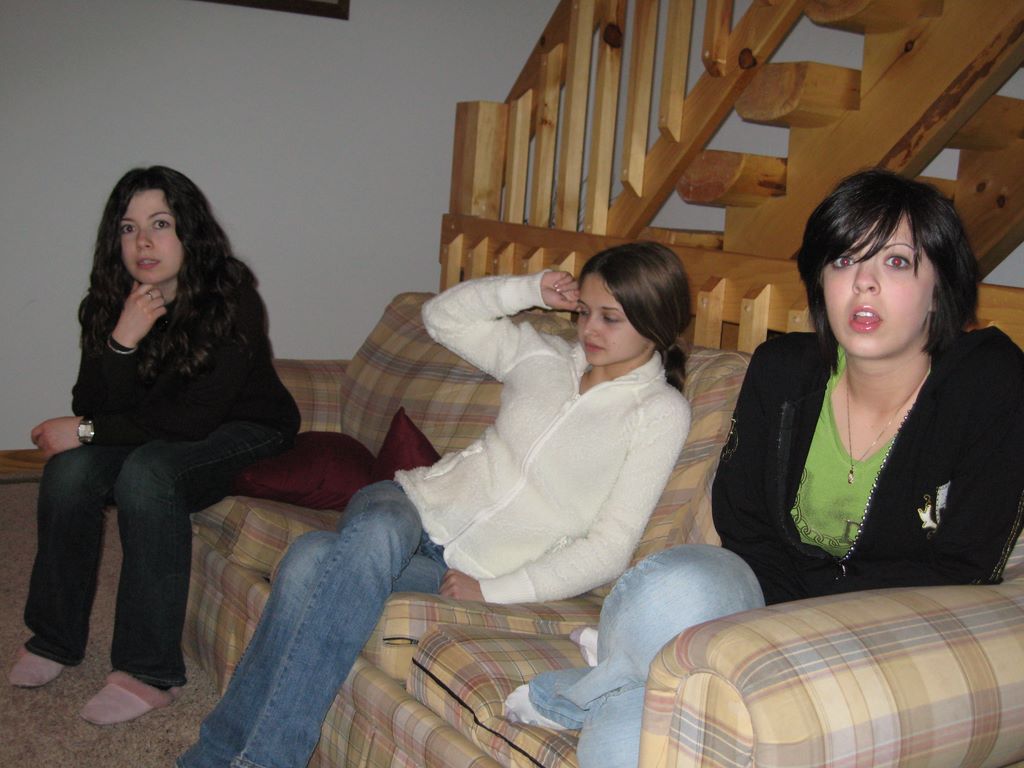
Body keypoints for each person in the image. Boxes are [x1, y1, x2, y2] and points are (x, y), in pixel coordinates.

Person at [513, 169, 1024, 767]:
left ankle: (609, 682)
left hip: (875, 633)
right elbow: (744, 523)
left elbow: (964, 566)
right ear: (820, 282)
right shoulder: (782, 370)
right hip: (760, 602)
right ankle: (639, 664)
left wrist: (793, 627)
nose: (863, 283)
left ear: (940, 287)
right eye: (843, 261)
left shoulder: (990, 385)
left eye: (895, 262)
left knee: (630, 741)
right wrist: (756, 625)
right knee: (679, 584)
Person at [177, 241, 694, 768]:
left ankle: (214, 756)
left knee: (311, 558)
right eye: (584, 311)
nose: (589, 329)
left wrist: (494, 590)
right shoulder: (542, 356)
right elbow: (442, 317)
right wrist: (529, 290)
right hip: (407, 504)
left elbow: (609, 548)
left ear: (655, 320)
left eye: (610, 317)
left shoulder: (659, 413)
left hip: (464, 568)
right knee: (378, 533)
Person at [8, 166, 300, 725]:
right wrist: (122, 341)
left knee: (147, 473)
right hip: (161, 427)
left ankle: (148, 671)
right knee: (69, 473)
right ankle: (54, 638)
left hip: (247, 428)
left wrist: (86, 431)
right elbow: (92, 401)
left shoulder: (229, 295)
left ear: (189, 231)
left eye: (160, 224)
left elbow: (192, 418)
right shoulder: (109, 301)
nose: (143, 241)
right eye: (128, 228)